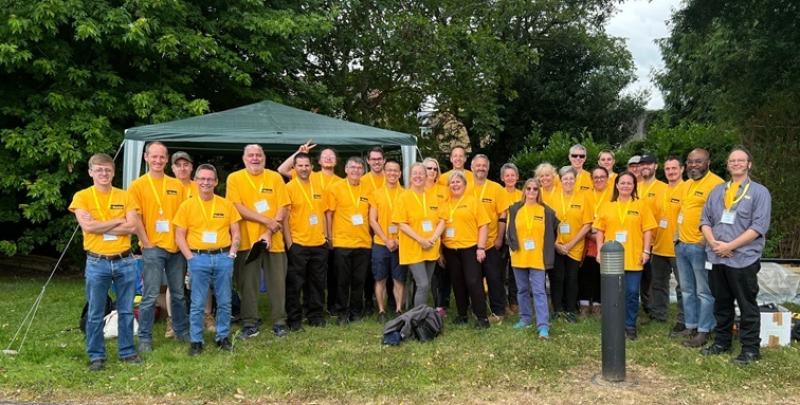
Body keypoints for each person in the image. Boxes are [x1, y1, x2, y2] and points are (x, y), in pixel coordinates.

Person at [70, 153, 142, 371]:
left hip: (124, 260)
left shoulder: (126, 196)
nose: (104, 173)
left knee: (127, 309)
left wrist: (102, 224)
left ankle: (127, 351)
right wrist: (118, 220)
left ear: (113, 172)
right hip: (97, 262)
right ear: (91, 172)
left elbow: (132, 227)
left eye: (108, 170)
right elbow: (88, 227)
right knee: (95, 310)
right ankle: (96, 355)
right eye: (99, 169)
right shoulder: (82, 197)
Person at [700, 147, 771, 365]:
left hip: (743, 259)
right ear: (728, 165)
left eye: (741, 160)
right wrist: (714, 244)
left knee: (746, 304)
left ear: (749, 164)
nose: (736, 163)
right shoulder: (717, 191)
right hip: (717, 257)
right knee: (721, 304)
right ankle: (722, 342)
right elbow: (705, 221)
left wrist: (730, 245)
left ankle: (750, 349)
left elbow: (759, 227)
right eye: (732, 160)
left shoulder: (759, 192)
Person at [173, 164, 241, 355]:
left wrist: (232, 253)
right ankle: (196, 341)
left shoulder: (226, 204)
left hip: (223, 257)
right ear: (195, 181)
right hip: (198, 258)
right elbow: (179, 235)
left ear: (216, 182)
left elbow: (236, 232)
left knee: (225, 301)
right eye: (202, 178)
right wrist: (190, 258)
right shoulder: (187, 205)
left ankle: (222, 337)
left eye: (210, 179)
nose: (206, 182)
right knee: (197, 302)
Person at [129, 142, 189, 352]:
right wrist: (146, 242)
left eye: (161, 157)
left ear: (166, 159)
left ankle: (181, 332)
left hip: (175, 249)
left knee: (179, 293)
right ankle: (145, 337)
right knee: (150, 294)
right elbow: (135, 217)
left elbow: (184, 216)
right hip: (152, 247)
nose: (157, 160)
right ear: (146, 158)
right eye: (153, 156)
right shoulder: (137, 185)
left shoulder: (176, 185)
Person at [226, 144, 290, 338]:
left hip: (274, 240)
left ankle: (279, 321)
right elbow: (236, 207)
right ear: (244, 159)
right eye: (251, 155)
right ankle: (249, 322)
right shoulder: (235, 178)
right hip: (246, 241)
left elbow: (283, 206)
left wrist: (269, 232)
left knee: (278, 283)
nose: (255, 158)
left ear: (264, 157)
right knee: (248, 283)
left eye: (258, 155)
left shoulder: (275, 177)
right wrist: (266, 221)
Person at [595, 171, 657, 340]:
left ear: (634, 186)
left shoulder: (641, 205)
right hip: (612, 259)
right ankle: (613, 324)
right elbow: (600, 231)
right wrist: (600, 251)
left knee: (631, 292)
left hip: (633, 256)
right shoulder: (608, 206)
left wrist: (646, 251)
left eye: (629, 183)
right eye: (622, 183)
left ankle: (629, 325)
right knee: (613, 293)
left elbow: (648, 230)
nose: (625, 186)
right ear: (616, 185)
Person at [675, 148, 724, 347]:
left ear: (708, 163)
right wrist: (676, 239)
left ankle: (704, 330)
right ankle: (691, 324)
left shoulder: (717, 184)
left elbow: (721, 217)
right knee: (687, 289)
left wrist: (707, 241)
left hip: (700, 246)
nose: (693, 165)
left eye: (698, 161)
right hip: (682, 246)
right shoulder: (686, 185)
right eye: (690, 162)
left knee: (704, 291)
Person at [507, 178, 558, 337]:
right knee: (522, 290)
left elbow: (554, 230)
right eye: (528, 188)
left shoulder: (546, 211)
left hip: (537, 258)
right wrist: (512, 246)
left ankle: (543, 325)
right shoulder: (515, 209)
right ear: (524, 191)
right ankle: (525, 318)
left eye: (535, 189)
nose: (531, 192)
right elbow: (509, 231)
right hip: (519, 256)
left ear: (539, 191)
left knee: (539, 291)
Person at [283, 152, 329, 330]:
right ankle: (294, 319)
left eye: (307, 165)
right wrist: (289, 243)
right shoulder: (289, 187)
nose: (304, 168)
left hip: (318, 243)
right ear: (294, 168)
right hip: (298, 244)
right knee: (295, 284)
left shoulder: (318, 186)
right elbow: (285, 218)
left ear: (312, 167)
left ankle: (315, 315)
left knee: (317, 283)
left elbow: (323, 213)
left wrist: (325, 236)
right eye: (300, 165)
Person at [170, 151, 214, 335]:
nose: (182, 168)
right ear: (172, 168)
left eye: (186, 164)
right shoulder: (166, 186)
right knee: (176, 283)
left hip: (199, 243)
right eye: (178, 165)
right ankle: (173, 321)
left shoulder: (201, 184)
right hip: (174, 242)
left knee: (204, 281)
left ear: (191, 167)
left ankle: (207, 316)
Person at [440, 171, 491, 328]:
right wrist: (440, 252)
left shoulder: (473, 202)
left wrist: (481, 247)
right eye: (452, 183)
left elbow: (483, 225)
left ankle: (482, 317)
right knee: (457, 282)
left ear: (464, 185)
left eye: (458, 182)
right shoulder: (445, 204)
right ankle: (462, 314)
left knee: (473, 281)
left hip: (470, 248)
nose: (455, 185)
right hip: (450, 249)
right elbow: (439, 228)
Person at [325, 157, 372, 324]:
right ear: (345, 169)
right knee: (342, 281)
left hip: (363, 243)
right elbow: (329, 214)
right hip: (342, 242)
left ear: (363, 171)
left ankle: (356, 311)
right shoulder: (335, 188)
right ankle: (342, 312)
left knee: (359, 280)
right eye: (352, 167)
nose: (356, 171)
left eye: (359, 168)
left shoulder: (368, 188)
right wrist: (329, 236)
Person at [393, 163, 445, 312]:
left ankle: (419, 315)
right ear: (410, 177)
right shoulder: (403, 197)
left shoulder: (434, 197)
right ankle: (418, 319)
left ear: (426, 175)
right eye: (414, 173)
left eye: (421, 173)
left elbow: (442, 220)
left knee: (426, 283)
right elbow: (401, 224)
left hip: (431, 246)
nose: (418, 176)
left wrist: (433, 238)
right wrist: (420, 240)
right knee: (422, 284)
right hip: (413, 247)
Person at [650, 156, 688, 336]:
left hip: (678, 246)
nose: (671, 172)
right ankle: (658, 315)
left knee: (683, 286)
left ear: (682, 170)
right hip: (658, 246)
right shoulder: (661, 190)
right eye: (668, 169)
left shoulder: (686, 189)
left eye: (674, 168)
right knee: (658, 284)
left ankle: (684, 320)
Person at [550, 166, 593, 321]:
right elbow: (547, 225)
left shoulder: (583, 197)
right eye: (565, 179)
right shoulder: (553, 197)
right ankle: (557, 309)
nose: (568, 181)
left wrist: (571, 244)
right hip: (557, 246)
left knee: (572, 278)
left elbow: (587, 224)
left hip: (575, 246)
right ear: (560, 181)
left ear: (575, 180)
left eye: (571, 179)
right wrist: (556, 244)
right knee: (557, 278)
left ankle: (570, 310)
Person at [471, 154, 510, 322]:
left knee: (494, 278)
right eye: (478, 165)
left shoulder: (496, 189)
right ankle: (477, 309)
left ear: (488, 168)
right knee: (474, 280)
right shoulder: (465, 187)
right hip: (469, 243)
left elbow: (503, 215)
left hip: (490, 242)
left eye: (484, 165)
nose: (481, 168)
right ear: (472, 167)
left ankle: (498, 311)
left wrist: (500, 238)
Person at [369, 159, 406, 320]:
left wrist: (397, 239)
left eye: (395, 170)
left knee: (399, 279)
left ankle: (398, 309)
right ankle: (382, 311)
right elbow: (372, 220)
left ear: (400, 174)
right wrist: (386, 240)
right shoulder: (376, 194)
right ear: (384, 172)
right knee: (380, 278)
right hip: (380, 243)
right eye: (389, 170)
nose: (392, 173)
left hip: (400, 243)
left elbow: (409, 221)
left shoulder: (406, 194)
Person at [636, 154, 669, 320]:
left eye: (648, 163)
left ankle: (656, 312)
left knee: (655, 280)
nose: (644, 167)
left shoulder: (664, 188)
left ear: (656, 166)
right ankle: (643, 307)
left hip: (656, 242)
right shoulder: (636, 186)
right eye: (642, 164)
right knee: (638, 277)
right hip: (636, 242)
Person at [579, 167, 613, 316]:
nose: (599, 180)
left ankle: (599, 303)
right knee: (586, 272)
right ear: (591, 180)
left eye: (602, 177)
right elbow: (581, 217)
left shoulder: (613, 194)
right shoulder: (585, 195)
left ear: (607, 178)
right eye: (596, 177)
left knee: (601, 273)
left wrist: (602, 236)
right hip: (588, 237)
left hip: (606, 239)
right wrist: (590, 234)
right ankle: (585, 303)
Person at [423, 157, 451, 316]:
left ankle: (440, 305)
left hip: (440, 236)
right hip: (421, 239)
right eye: (429, 168)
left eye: (435, 169)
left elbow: (446, 216)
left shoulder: (444, 190)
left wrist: (438, 243)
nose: (432, 171)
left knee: (441, 273)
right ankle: (422, 306)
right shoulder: (416, 189)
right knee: (424, 277)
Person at [500, 163, 522, 313]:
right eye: (507, 175)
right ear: (502, 178)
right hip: (501, 238)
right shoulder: (498, 193)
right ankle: (503, 303)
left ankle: (514, 301)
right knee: (500, 272)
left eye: (512, 175)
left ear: (517, 177)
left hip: (518, 239)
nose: (510, 178)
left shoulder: (523, 195)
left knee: (515, 271)